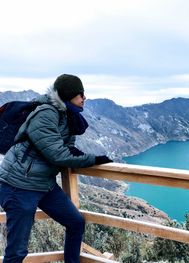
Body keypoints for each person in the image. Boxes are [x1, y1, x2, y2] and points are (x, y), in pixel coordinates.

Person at [0, 74, 112, 263]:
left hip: (43, 183)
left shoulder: (66, 115)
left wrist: (81, 155)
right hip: (19, 185)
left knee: (76, 222)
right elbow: (58, 155)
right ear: (69, 96)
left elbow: (64, 146)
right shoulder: (46, 113)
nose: (84, 98)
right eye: (80, 94)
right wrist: (93, 159)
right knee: (17, 252)